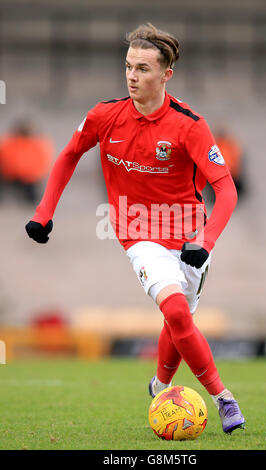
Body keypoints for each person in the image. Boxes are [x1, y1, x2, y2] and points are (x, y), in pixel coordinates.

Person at [25, 23, 245, 434]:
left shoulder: (189, 126)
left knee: (179, 322)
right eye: (128, 66)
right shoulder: (105, 116)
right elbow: (68, 155)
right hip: (137, 230)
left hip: (188, 233)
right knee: (177, 310)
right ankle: (224, 399)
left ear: (166, 75)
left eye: (143, 69)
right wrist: (44, 212)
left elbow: (226, 189)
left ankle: (160, 384)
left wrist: (205, 239)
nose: (131, 76)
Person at [0, 118, 53, 204]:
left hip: (29, 179)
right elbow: (3, 159)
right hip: (9, 176)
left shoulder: (38, 144)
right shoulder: (8, 142)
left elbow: (43, 165)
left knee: (32, 199)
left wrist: (29, 175)